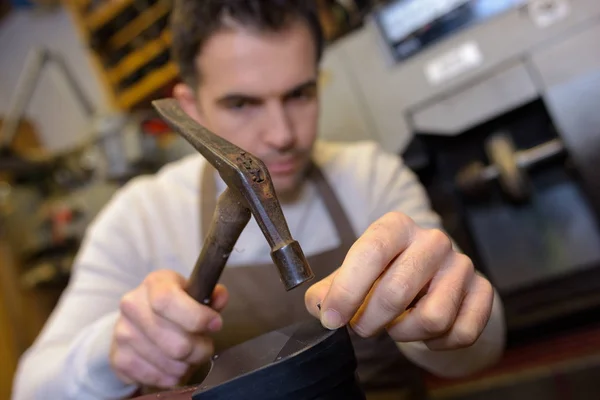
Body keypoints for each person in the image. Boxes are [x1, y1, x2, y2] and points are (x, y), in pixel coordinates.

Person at [12, 1, 506, 399]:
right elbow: (30, 389)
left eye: (299, 94)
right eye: (242, 103)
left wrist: (446, 317)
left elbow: (482, 352)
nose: (281, 134)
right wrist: (116, 353)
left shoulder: (372, 175)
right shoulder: (140, 217)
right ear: (189, 107)